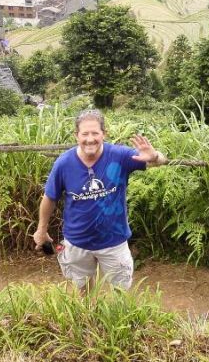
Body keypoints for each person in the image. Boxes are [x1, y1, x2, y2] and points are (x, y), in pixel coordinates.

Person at [33, 108, 167, 290]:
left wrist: (155, 157)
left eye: (95, 133)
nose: (90, 139)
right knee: (83, 290)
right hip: (77, 242)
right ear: (76, 136)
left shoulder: (120, 156)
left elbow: (159, 161)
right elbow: (50, 197)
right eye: (85, 133)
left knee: (121, 292)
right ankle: (89, 317)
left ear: (104, 134)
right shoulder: (64, 163)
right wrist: (41, 230)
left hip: (114, 242)